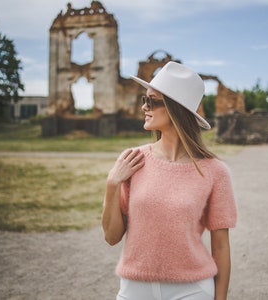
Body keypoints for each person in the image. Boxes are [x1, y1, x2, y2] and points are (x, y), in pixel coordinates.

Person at [102, 61, 237, 300]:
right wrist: (112, 184)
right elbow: (112, 237)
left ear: (176, 109)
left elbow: (220, 246)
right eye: (144, 99)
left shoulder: (215, 172)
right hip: (134, 289)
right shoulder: (132, 160)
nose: (144, 107)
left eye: (152, 101)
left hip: (192, 289)